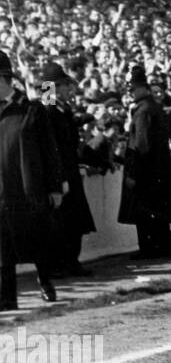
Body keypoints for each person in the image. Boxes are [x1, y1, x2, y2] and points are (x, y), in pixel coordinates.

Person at [0, 50, 63, 308]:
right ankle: (6, 298)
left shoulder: (32, 109)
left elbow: (50, 150)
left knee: (37, 239)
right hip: (2, 191)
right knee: (2, 248)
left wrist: (55, 186)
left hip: (28, 188)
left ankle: (45, 280)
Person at [118, 64, 171, 261]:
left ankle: (149, 248)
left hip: (146, 171)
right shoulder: (153, 106)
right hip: (157, 169)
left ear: (143, 87)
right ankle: (162, 246)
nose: (130, 92)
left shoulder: (143, 111)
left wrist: (133, 174)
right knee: (158, 211)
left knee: (145, 212)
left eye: (132, 88)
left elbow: (141, 145)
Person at [40, 62, 95, 276]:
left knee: (72, 220)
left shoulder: (61, 109)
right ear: (54, 87)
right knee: (61, 220)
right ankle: (60, 264)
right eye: (62, 85)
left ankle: (71, 261)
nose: (68, 89)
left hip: (69, 169)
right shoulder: (48, 111)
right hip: (60, 172)